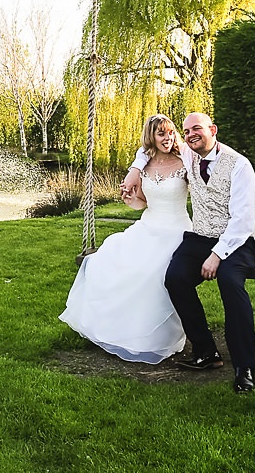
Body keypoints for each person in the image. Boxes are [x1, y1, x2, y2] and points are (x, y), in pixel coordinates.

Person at [58, 114, 192, 363]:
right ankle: (121, 329)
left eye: (171, 132)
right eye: (161, 133)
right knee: (108, 260)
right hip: (147, 226)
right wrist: (132, 201)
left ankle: (157, 336)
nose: (167, 138)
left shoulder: (184, 161)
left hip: (176, 230)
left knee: (153, 272)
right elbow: (142, 203)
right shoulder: (144, 166)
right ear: (151, 137)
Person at [166, 111, 255, 393]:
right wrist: (135, 170)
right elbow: (148, 146)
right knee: (175, 278)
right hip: (200, 238)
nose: (190, 135)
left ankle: (244, 366)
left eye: (197, 129)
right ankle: (206, 351)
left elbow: (243, 219)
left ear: (213, 129)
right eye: (186, 132)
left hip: (237, 241)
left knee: (230, 282)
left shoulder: (239, 165)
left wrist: (217, 255)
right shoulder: (188, 154)